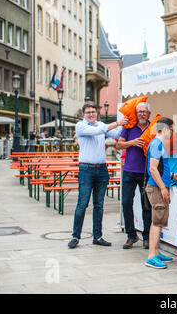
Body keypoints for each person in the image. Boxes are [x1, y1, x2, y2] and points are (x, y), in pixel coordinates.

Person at [67, 102, 128, 249]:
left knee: (99, 205)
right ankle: (75, 237)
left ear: (97, 113)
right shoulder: (80, 126)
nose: (91, 114)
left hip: (101, 170)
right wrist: (117, 123)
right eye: (88, 112)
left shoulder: (101, 125)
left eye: (93, 112)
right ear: (83, 114)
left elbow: (117, 133)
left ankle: (98, 237)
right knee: (82, 204)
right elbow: (100, 130)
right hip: (86, 170)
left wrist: (126, 123)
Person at [116, 102, 152, 250]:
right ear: (136, 114)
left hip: (146, 171)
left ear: (149, 113)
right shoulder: (129, 126)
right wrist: (132, 142)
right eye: (139, 112)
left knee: (146, 206)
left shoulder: (153, 128)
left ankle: (147, 237)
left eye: (144, 112)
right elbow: (118, 145)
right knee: (126, 203)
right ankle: (131, 235)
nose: (142, 114)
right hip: (129, 171)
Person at [145, 117, 177, 269]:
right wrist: (163, 188)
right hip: (157, 188)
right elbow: (152, 168)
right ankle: (152, 256)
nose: (172, 132)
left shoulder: (157, 144)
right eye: (172, 129)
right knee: (157, 222)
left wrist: (171, 176)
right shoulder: (157, 144)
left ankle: (156, 252)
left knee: (157, 221)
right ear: (165, 129)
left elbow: (159, 168)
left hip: (159, 186)